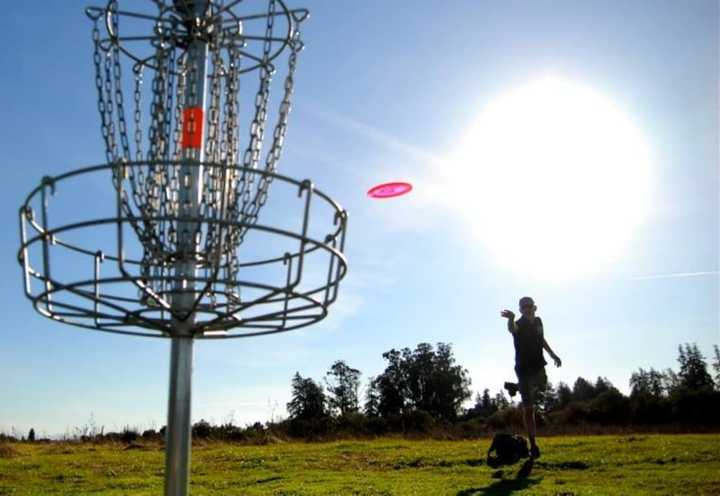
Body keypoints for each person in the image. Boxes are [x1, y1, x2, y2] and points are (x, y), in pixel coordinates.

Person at [501, 296, 561, 458]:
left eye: (529, 306)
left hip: (538, 365)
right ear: (521, 310)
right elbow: (512, 329)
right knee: (529, 409)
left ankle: (516, 387)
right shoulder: (519, 323)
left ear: (535, 308)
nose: (527, 308)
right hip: (523, 368)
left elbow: (541, 340)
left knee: (542, 385)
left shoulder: (539, 321)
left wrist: (553, 354)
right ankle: (533, 445)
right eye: (524, 307)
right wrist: (511, 318)